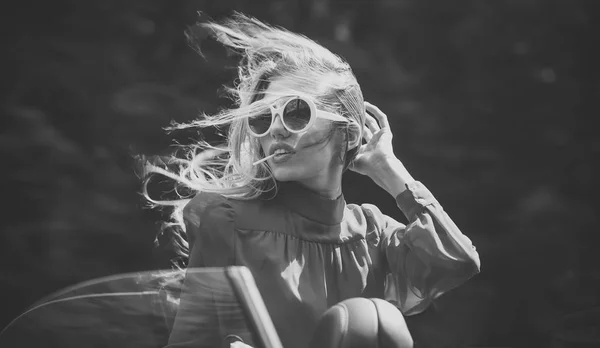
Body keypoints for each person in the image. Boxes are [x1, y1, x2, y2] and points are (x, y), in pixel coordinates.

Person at [143, 12, 480, 348]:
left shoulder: (374, 235)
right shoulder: (227, 220)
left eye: (295, 112)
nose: (274, 128)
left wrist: (389, 170)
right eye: (263, 117)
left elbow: (456, 261)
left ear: (347, 133)